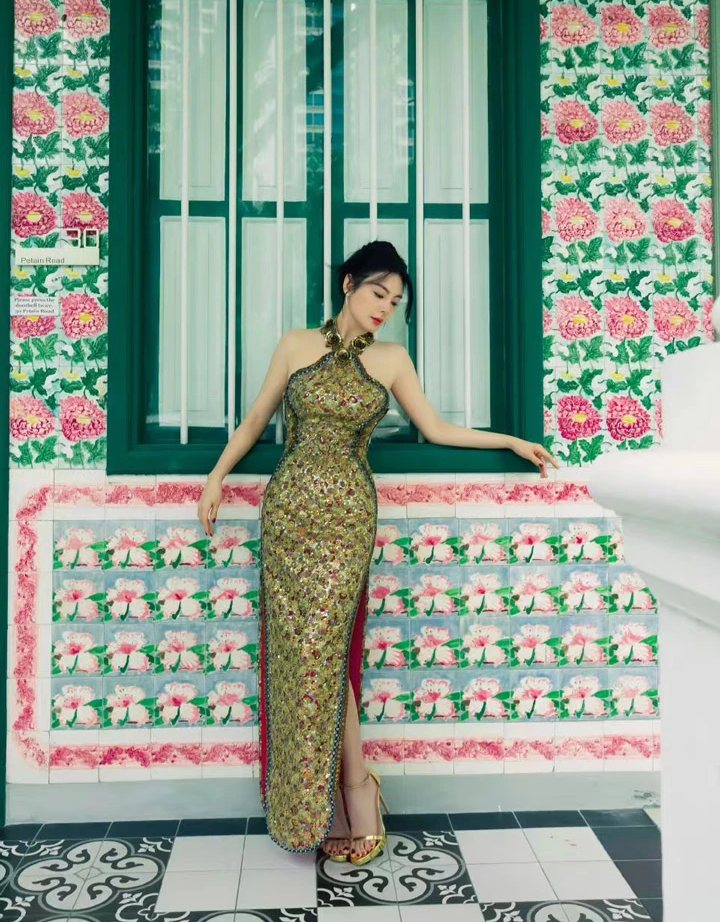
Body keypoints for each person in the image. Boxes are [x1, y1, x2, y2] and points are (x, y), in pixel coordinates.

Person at [198, 239, 557, 864]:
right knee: (300, 658)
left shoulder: (392, 359)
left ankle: (357, 790)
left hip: (346, 519)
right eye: (377, 293)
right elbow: (257, 419)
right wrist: (216, 476)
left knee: (324, 650)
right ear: (347, 286)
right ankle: (327, 799)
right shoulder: (294, 345)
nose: (385, 308)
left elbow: (438, 428)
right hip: (288, 515)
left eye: (395, 301)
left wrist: (512, 440)